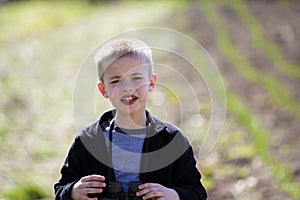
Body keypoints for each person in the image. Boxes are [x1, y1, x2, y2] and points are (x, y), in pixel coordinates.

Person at [54, 38, 207, 200]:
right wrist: (73, 192)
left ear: (151, 83)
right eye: (116, 80)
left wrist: (174, 195)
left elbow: (197, 193)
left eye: (136, 78)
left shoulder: (172, 140)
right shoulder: (87, 140)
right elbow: (60, 190)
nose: (127, 87)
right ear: (103, 89)